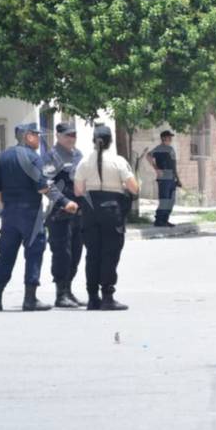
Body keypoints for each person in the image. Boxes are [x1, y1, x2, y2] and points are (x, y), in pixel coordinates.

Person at [75, 126, 140, 311]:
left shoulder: (84, 162)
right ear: (110, 141)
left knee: (92, 254)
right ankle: (108, 296)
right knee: (110, 254)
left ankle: (92, 297)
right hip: (112, 211)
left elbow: (78, 190)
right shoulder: (118, 161)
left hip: (90, 210)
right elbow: (134, 188)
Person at [0, 122, 52, 312]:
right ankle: (30, 298)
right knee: (34, 252)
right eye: (36, 135)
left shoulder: (4, 156)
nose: (38, 138)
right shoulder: (34, 158)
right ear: (27, 136)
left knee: (6, 254)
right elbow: (42, 187)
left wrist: (5, 209)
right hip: (30, 213)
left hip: (9, 212)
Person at [43, 122, 85, 308]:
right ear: (58, 136)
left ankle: (68, 290)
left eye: (73, 135)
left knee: (76, 252)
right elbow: (47, 185)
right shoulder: (52, 156)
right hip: (60, 212)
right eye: (67, 135)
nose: (71, 138)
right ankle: (60, 294)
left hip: (79, 212)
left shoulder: (78, 155)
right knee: (62, 254)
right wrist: (64, 202)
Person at [147, 130, 181, 227]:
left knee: (171, 200)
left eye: (171, 137)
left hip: (172, 178)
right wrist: (157, 169)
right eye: (169, 137)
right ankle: (159, 220)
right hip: (164, 179)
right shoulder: (159, 148)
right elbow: (148, 156)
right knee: (164, 200)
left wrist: (178, 179)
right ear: (163, 138)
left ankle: (165, 219)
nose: (170, 139)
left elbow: (174, 166)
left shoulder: (171, 149)